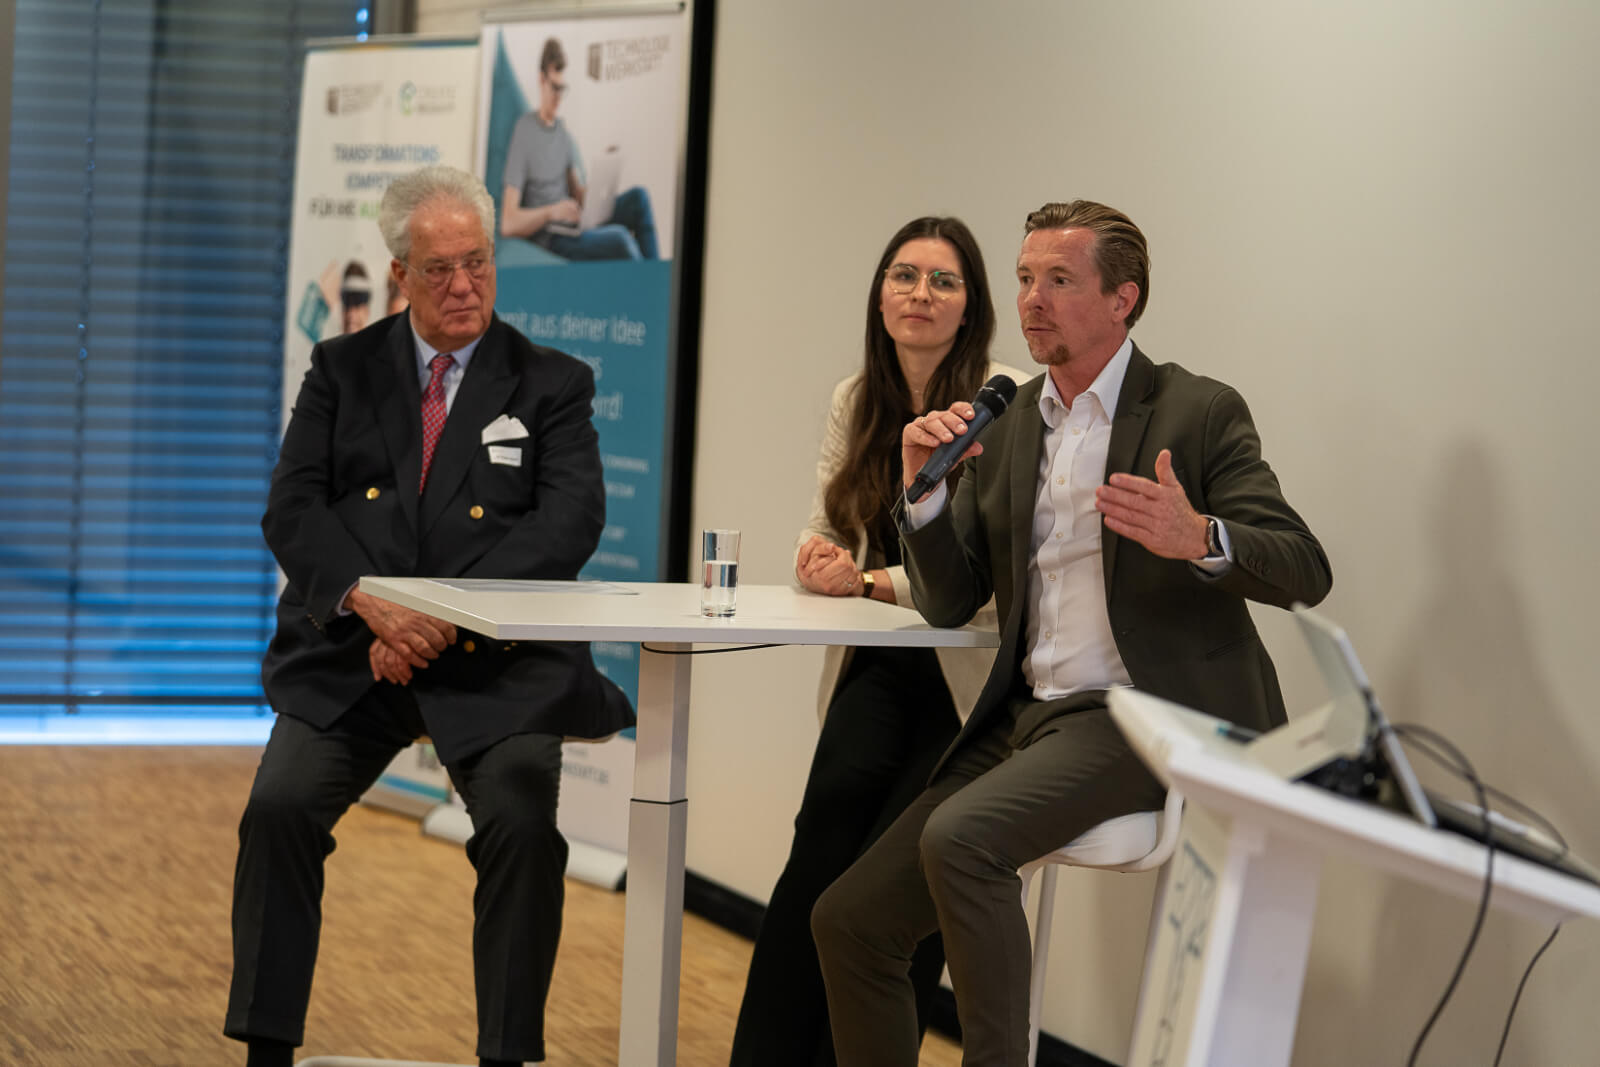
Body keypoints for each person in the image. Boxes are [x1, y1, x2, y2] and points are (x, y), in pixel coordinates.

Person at [811, 200, 1334, 1066]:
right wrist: (923, 496)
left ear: (1123, 299)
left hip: (1144, 715)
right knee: (849, 922)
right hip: (1026, 718)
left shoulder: (1196, 410)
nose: (1032, 299)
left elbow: (1305, 567)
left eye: (1059, 279)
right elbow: (950, 599)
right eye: (1025, 278)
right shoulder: (1012, 417)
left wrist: (1200, 536)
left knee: (961, 840)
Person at [224, 164, 633, 1067]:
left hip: (496, 664)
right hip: (355, 653)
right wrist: (371, 605)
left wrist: (436, 618)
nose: (462, 286)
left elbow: (569, 523)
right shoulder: (342, 370)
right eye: (439, 269)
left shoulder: (552, 382)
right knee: (278, 811)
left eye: (477, 263)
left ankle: (504, 1055)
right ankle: (266, 1049)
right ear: (400, 273)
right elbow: (293, 507)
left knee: (524, 832)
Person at [729, 217, 1029, 1066]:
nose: (920, 294)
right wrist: (817, 558)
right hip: (878, 665)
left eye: (943, 280)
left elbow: (988, 578)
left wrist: (866, 581)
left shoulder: (1006, 396)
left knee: (898, 883)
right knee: (816, 854)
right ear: (880, 294)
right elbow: (825, 525)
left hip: (964, 682)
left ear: (971, 306)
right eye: (904, 275)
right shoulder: (856, 397)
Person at [499, 37, 658, 261]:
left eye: (562, 89)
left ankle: (660, 278)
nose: (558, 97)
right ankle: (648, 282)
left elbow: (577, 194)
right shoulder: (524, 130)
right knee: (621, 240)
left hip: (573, 222)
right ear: (541, 80)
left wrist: (602, 179)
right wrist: (551, 212)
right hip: (553, 236)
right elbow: (508, 223)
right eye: (554, 88)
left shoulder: (563, 133)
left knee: (639, 198)